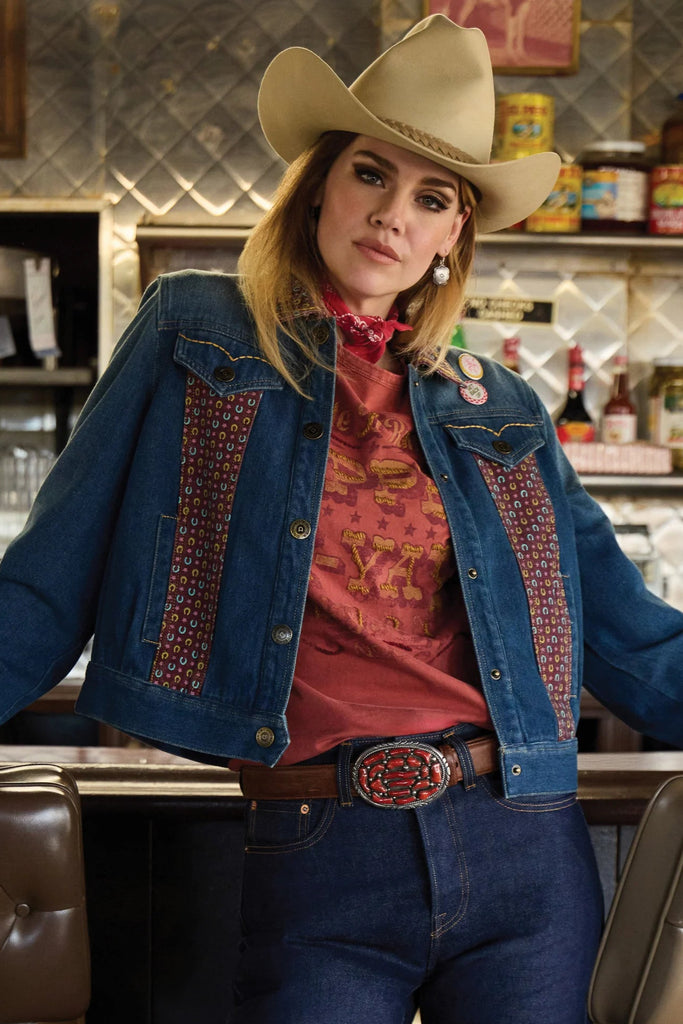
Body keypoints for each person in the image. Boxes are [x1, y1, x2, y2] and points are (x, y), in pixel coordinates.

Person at [0, 14, 681, 1024]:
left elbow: (631, 640)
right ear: (320, 181)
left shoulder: (497, 403)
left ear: (455, 235)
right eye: (370, 173)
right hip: (314, 844)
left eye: (431, 197)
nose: (390, 216)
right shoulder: (195, 329)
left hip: (522, 845)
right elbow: (48, 580)